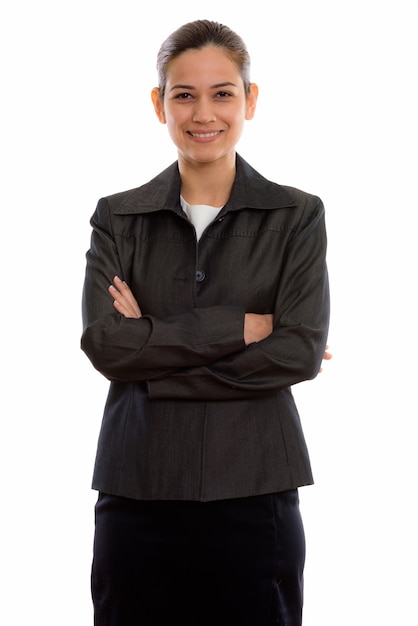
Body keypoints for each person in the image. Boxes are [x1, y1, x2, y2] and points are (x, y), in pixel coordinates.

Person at [81, 19, 331, 626]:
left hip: (256, 488)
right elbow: (108, 347)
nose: (203, 113)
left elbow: (299, 352)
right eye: (183, 94)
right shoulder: (118, 218)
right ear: (158, 103)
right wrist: (243, 327)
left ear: (249, 99)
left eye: (222, 93)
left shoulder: (296, 215)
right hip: (138, 486)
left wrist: (156, 358)